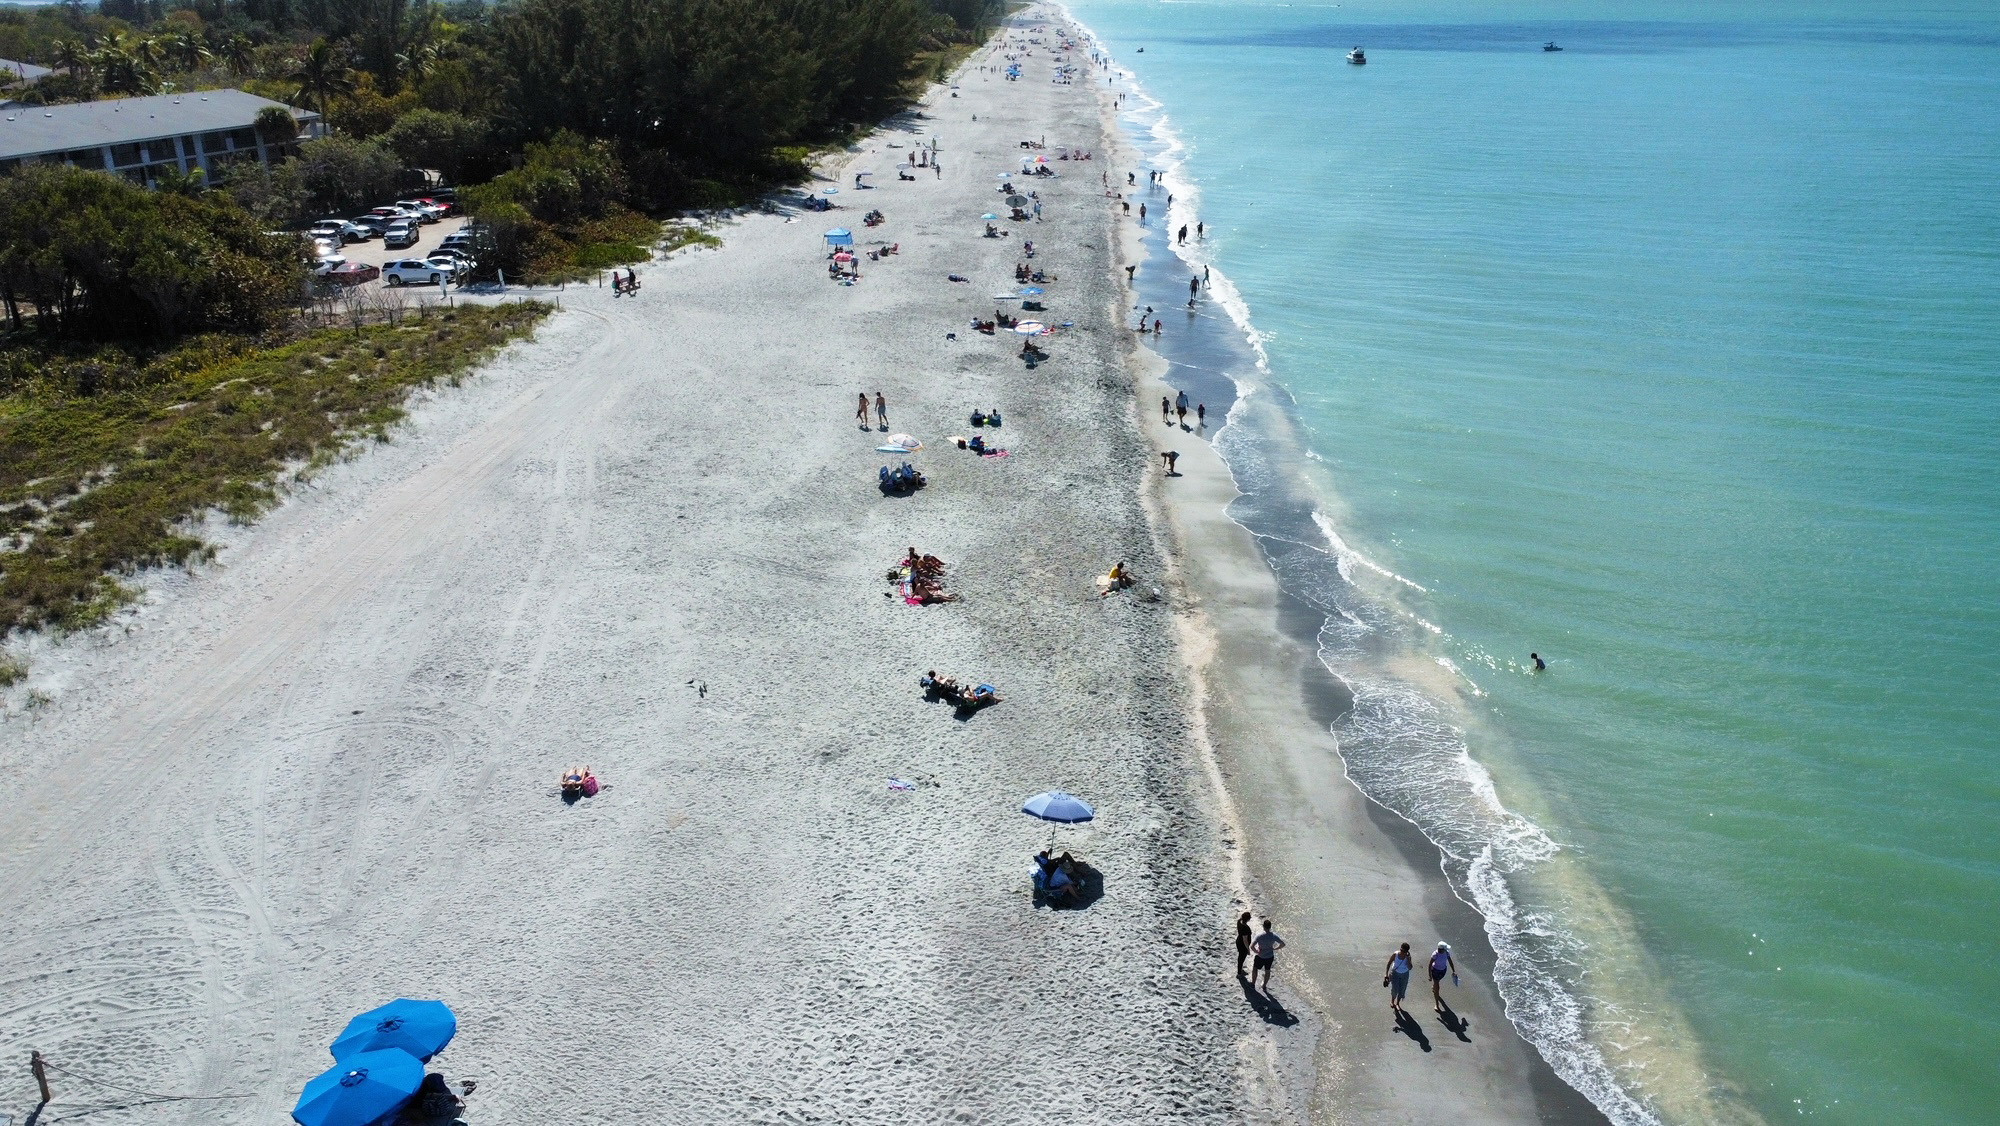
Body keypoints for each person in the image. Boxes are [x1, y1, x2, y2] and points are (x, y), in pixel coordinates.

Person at [1250, 919, 1285, 989]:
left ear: (1263, 926)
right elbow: (1283, 944)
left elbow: (1252, 946)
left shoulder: (1259, 936)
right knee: (1267, 970)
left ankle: (1253, 983)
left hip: (1260, 956)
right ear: (1270, 927)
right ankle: (1264, 985)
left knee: (1255, 968)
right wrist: (1275, 948)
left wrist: (1257, 952)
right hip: (1270, 956)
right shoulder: (1274, 936)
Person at [1429, 942, 1459, 1012]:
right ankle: (1437, 1004)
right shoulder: (1435, 954)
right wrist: (1430, 975)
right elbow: (1430, 964)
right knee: (1437, 987)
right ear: (1441, 950)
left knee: (1437, 983)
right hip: (1435, 971)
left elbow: (1450, 961)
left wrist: (1453, 970)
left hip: (1443, 971)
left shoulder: (1446, 953)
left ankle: (1434, 986)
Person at [1384, 942, 1414, 1013]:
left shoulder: (1408, 957)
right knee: (1395, 989)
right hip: (1395, 974)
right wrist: (1386, 974)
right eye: (1401, 950)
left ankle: (1397, 1003)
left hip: (1405, 974)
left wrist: (1408, 959)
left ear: (1407, 952)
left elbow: (1410, 968)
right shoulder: (1395, 954)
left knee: (1402, 990)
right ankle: (1392, 1001)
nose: (1402, 952)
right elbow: (1389, 963)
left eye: (1404, 951)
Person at [1235, 911, 1254, 976]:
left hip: (1238, 941)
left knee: (1240, 957)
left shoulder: (1239, 921)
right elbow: (1245, 940)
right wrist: (1248, 949)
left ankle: (1240, 970)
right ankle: (1239, 973)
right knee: (1241, 958)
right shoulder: (1245, 928)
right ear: (1248, 919)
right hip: (1242, 945)